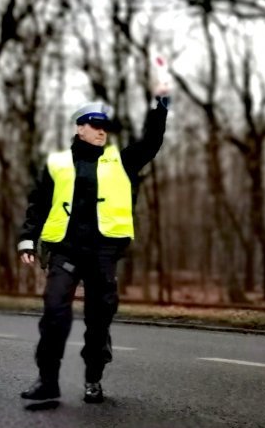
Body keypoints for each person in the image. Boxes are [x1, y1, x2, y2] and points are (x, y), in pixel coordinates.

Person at [17, 85, 170, 404]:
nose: (102, 132)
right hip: (65, 250)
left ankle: (93, 380)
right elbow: (39, 203)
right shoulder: (57, 163)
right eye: (95, 126)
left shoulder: (121, 161)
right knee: (54, 312)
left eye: (105, 128)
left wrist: (160, 108)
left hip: (103, 253)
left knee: (98, 320)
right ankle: (47, 381)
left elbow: (151, 143)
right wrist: (27, 239)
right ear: (80, 128)